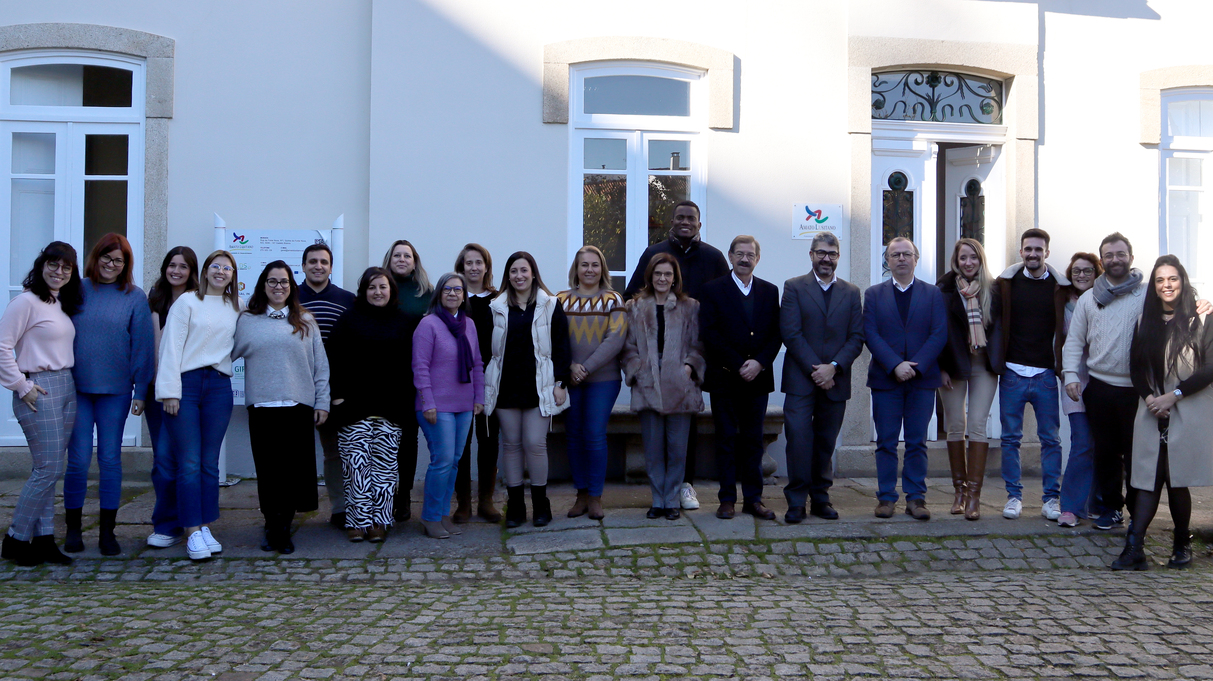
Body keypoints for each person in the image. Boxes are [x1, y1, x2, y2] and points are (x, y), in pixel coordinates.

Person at [1062, 233, 1211, 531]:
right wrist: (1070, 375)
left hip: (1140, 390)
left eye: (1121, 254)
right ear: (1102, 260)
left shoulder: (1146, 294)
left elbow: (1174, 304)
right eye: (1109, 255)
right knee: (1105, 453)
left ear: (1131, 257)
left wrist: (1198, 304)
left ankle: (1136, 513)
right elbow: (1074, 341)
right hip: (1100, 387)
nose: (1115, 259)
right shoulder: (1090, 299)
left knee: (1138, 455)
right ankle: (1111, 509)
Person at [624, 201, 728, 511]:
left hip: (686, 366)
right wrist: (637, 367)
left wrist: (690, 367)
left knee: (684, 436)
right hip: (650, 370)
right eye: (680, 217)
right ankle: (661, 496)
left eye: (691, 218)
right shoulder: (653, 252)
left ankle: (684, 486)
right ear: (672, 221)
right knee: (654, 441)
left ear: (699, 223)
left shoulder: (713, 257)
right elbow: (630, 298)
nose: (685, 222)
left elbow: (723, 303)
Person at [1111, 256, 1213, 570]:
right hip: (1152, 409)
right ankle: (1134, 548)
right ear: (1154, 287)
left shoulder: (1202, 318)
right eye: (1160, 280)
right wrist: (1151, 399)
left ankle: (1182, 544)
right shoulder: (1145, 321)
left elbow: (1210, 368)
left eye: (1172, 278)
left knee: (1176, 476)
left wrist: (1174, 396)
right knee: (1148, 477)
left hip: (1187, 406)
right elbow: (1135, 368)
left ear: (1182, 281)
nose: (1166, 285)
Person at [63, 234, 155, 556]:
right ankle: (73, 529)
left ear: (126, 264)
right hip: (76, 389)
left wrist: (141, 390)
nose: (111, 265)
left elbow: (143, 347)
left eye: (118, 260)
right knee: (77, 461)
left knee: (110, 459)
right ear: (96, 257)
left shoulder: (134, 297)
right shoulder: (77, 289)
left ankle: (107, 532)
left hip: (115, 391)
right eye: (106, 257)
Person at [232, 261, 330, 554]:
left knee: (291, 472)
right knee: (268, 471)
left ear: (291, 286)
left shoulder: (306, 320)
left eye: (284, 281)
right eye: (273, 281)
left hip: (297, 406)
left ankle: (283, 528)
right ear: (263, 285)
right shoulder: (247, 321)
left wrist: (322, 401)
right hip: (262, 406)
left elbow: (320, 366)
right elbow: (224, 354)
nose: (278, 287)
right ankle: (271, 524)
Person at [156, 250, 242, 561]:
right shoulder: (188, 302)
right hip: (187, 385)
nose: (221, 272)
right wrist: (170, 391)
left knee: (209, 463)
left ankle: (205, 525)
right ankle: (191, 530)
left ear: (233, 275)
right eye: (215, 266)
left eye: (227, 268)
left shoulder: (236, 307)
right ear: (205, 271)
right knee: (189, 462)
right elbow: (170, 347)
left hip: (219, 386)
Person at [0, 242, 82, 567]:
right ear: (42, 265)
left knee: (50, 468)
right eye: (53, 264)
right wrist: (21, 386)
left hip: (66, 385)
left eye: (66, 267)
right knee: (48, 469)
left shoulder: (59, 302)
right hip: (39, 387)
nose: (59, 272)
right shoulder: (25, 302)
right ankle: (16, 538)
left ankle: (45, 539)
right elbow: (2, 346)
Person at [779, 232, 864, 522]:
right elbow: (791, 333)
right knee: (798, 440)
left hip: (836, 380)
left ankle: (820, 498)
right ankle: (796, 501)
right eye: (821, 253)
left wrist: (834, 367)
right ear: (811, 255)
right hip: (801, 380)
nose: (826, 258)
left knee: (826, 442)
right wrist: (818, 370)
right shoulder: (794, 287)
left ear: (838, 257)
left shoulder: (851, 292)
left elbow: (856, 337)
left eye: (832, 253)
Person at [483, 251, 571, 528]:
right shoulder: (496, 307)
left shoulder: (550, 304)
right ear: (507, 276)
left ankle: (541, 504)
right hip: (505, 387)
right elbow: (487, 350)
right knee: (511, 445)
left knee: (534, 443)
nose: (519, 276)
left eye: (524, 270)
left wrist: (560, 383)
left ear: (533, 273)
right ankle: (516, 506)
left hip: (539, 386)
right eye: (514, 271)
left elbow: (562, 345)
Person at [327, 268, 413, 542]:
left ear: (391, 290)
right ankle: (357, 521)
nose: (378, 292)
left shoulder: (404, 321)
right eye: (372, 287)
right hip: (354, 406)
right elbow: (334, 358)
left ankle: (379, 521)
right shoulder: (348, 319)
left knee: (385, 469)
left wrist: (407, 399)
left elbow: (411, 364)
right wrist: (337, 396)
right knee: (356, 468)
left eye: (383, 287)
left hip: (391, 407)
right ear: (363, 291)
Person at [699, 236, 781, 521]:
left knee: (753, 441)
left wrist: (759, 363)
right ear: (730, 256)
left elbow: (776, 334)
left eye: (750, 255)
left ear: (757, 259)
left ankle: (753, 500)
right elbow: (709, 333)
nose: (745, 259)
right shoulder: (712, 290)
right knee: (725, 440)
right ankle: (726, 500)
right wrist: (738, 364)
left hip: (758, 379)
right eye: (740, 254)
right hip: (725, 378)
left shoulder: (769, 291)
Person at [864, 237, 947, 520]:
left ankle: (916, 499)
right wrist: (895, 365)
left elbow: (939, 333)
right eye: (895, 254)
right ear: (887, 260)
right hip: (886, 380)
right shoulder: (874, 294)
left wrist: (916, 366)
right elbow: (870, 334)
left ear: (916, 259)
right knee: (886, 442)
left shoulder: (932, 294)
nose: (901, 258)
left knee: (917, 442)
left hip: (922, 380)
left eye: (906, 254)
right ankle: (886, 498)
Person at [621, 254, 706, 521]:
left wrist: (688, 369)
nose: (662, 278)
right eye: (658, 273)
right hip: (647, 383)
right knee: (653, 448)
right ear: (650, 276)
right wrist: (637, 369)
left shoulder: (690, 306)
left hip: (680, 385)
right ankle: (657, 500)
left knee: (677, 449)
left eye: (668, 274)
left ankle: (672, 500)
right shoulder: (635, 307)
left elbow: (699, 343)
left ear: (674, 278)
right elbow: (627, 346)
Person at [991, 228, 1068, 521]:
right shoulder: (1006, 284)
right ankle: (1014, 497)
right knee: (1010, 439)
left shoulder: (1060, 287)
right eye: (1028, 249)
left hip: (1046, 375)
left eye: (1038, 249)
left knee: (1050, 439)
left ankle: (1051, 499)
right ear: (1021, 251)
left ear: (1047, 252)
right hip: (1012, 373)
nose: (1033, 254)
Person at [413, 272, 485, 538]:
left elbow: (477, 363)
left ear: (464, 296)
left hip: (464, 405)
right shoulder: (428, 324)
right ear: (439, 294)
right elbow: (420, 366)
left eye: (458, 289)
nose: (453, 293)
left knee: (454, 461)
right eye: (447, 289)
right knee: (442, 460)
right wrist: (427, 402)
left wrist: (479, 398)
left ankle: (443, 513)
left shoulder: (469, 325)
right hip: (436, 406)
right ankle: (430, 517)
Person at [557, 246, 626, 521]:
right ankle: (581, 493)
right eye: (584, 264)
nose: (589, 270)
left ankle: (596, 496)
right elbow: (554, 339)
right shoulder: (560, 300)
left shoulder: (613, 299)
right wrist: (570, 367)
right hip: (570, 378)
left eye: (595, 265)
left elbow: (615, 339)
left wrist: (585, 368)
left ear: (602, 269)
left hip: (603, 379)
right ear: (576, 269)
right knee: (573, 435)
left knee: (595, 434)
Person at [936, 238, 999, 521]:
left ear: (980, 259)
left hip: (983, 365)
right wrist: (939, 368)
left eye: (973, 257)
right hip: (952, 365)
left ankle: (974, 496)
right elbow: (935, 331)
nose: (968, 263)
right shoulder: (943, 290)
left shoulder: (994, 290)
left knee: (977, 425)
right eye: (963, 258)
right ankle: (959, 492)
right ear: (956, 261)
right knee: (955, 425)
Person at [144, 246, 199, 549]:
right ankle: (167, 524)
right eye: (172, 265)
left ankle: (193, 522)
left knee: (187, 461)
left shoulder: (199, 301)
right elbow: (144, 344)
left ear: (192, 272)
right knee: (163, 459)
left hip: (188, 391)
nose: (176, 271)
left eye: (183, 266)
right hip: (157, 390)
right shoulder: (154, 299)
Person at [297, 243, 355, 528]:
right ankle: (288, 507)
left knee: (335, 451)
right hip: (295, 385)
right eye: (312, 261)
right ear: (303, 266)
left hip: (334, 389)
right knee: (293, 452)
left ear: (331, 267)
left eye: (323, 262)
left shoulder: (347, 300)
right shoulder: (289, 297)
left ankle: (340, 508)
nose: (318, 266)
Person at [452, 243, 502, 523]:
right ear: (461, 267)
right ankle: (463, 503)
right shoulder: (454, 297)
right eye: (468, 262)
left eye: (478, 262)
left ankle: (486, 500)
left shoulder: (498, 299)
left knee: (489, 439)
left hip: (491, 378)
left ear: (486, 267)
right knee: (462, 441)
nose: (473, 267)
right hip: (458, 379)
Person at [382, 240, 431, 522]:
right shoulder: (379, 287)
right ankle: (384, 493)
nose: (402, 259)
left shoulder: (426, 293)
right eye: (397, 255)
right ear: (389, 260)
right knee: (385, 435)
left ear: (415, 261)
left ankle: (404, 496)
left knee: (408, 439)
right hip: (385, 374)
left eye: (407, 256)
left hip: (416, 375)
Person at [1056, 253, 1101, 528]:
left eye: (1087, 270)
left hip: (1105, 380)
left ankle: (1097, 504)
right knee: (1083, 442)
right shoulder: (1061, 302)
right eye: (1076, 271)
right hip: (1075, 381)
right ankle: (1071, 507)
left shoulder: (1107, 300)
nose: (1082, 275)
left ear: (1097, 273)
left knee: (1105, 446)